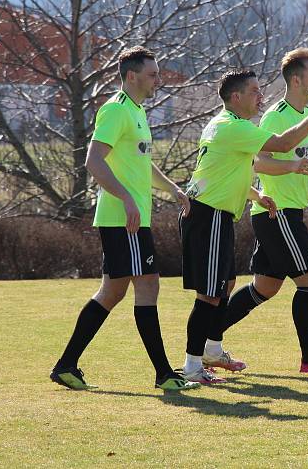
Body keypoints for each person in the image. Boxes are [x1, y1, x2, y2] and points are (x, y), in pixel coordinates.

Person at [50, 46, 199, 392]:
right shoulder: (116, 110)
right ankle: (164, 374)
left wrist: (173, 189)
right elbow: (93, 161)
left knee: (112, 291)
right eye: (153, 74)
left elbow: (142, 163)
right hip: (124, 220)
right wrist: (127, 199)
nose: (158, 80)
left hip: (130, 219)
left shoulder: (136, 110)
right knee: (147, 285)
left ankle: (66, 365)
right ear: (131, 76)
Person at [204, 48, 308, 374]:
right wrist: (294, 164)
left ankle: (205, 343)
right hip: (278, 213)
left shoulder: (307, 121)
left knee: (264, 288)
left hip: (286, 213)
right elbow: (259, 162)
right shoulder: (275, 116)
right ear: (296, 80)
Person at [178, 68, 308, 384]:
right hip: (209, 216)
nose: (260, 97)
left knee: (226, 286)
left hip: (215, 215)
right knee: (210, 294)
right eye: (255, 91)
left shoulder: (223, 125)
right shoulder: (235, 127)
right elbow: (284, 143)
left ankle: (213, 351)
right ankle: (192, 366)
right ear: (236, 97)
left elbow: (226, 172)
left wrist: (258, 194)